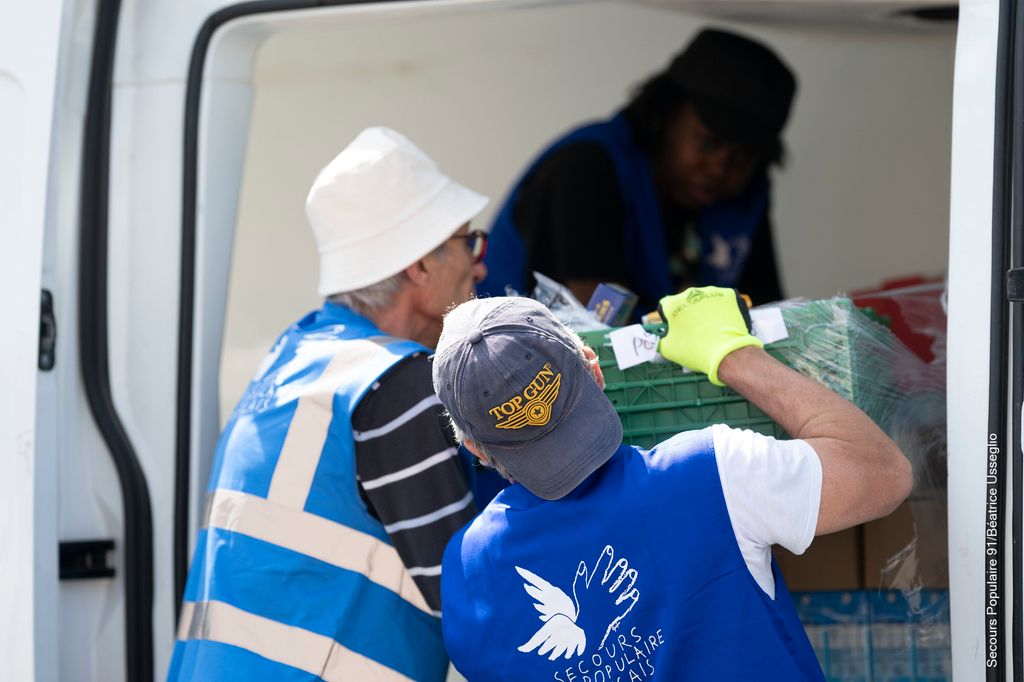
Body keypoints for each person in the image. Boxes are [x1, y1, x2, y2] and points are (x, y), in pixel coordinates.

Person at [431, 288, 912, 680]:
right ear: (594, 368)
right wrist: (732, 354)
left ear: (474, 448)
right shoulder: (710, 473)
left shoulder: (467, 574)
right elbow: (883, 473)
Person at [168, 127, 491, 681]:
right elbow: (474, 600)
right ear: (419, 266)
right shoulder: (396, 387)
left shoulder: (292, 361)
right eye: (469, 242)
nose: (479, 266)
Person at [478, 28, 797, 314]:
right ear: (664, 113)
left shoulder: (746, 191)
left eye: (743, 159)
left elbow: (768, 311)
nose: (719, 169)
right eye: (708, 143)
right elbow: (599, 320)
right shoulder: (586, 167)